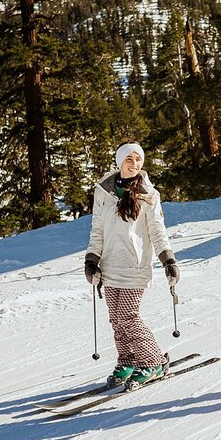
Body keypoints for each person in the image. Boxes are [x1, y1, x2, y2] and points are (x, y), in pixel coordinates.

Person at [84, 142, 180, 390]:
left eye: (138, 159)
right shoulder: (103, 192)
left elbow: (157, 231)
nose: (134, 163)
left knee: (128, 316)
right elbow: (97, 229)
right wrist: (92, 259)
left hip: (135, 266)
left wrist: (168, 259)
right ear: (119, 161)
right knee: (116, 319)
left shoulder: (150, 194)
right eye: (129, 159)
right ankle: (127, 360)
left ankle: (153, 361)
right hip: (109, 266)